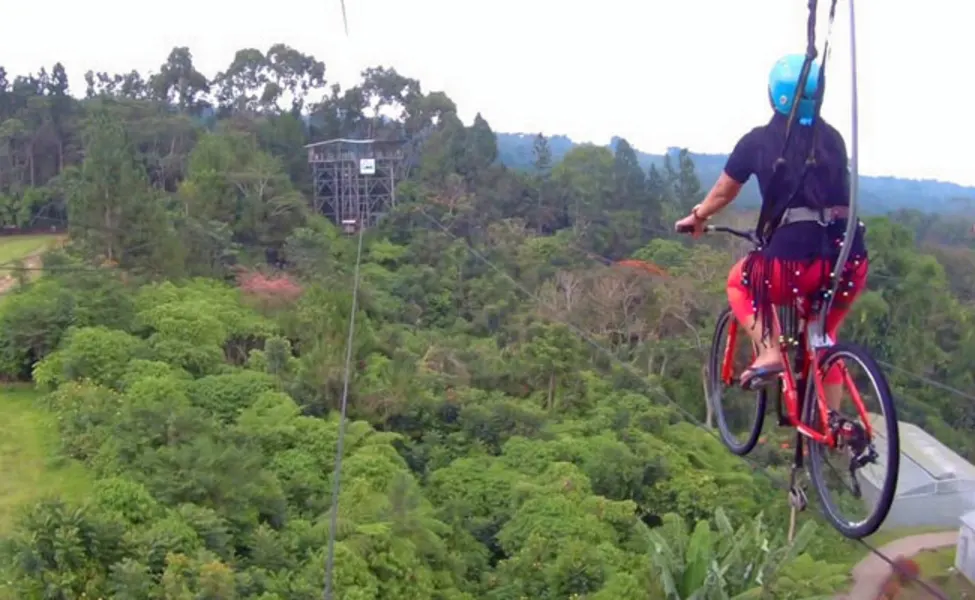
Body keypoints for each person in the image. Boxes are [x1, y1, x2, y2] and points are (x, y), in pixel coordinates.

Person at [674, 53, 868, 411]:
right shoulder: (834, 140)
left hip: (792, 265)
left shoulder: (759, 142)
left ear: (774, 95)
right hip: (848, 260)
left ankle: (768, 351)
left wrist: (697, 216)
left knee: (739, 281)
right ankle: (836, 427)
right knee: (822, 337)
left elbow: (724, 191)